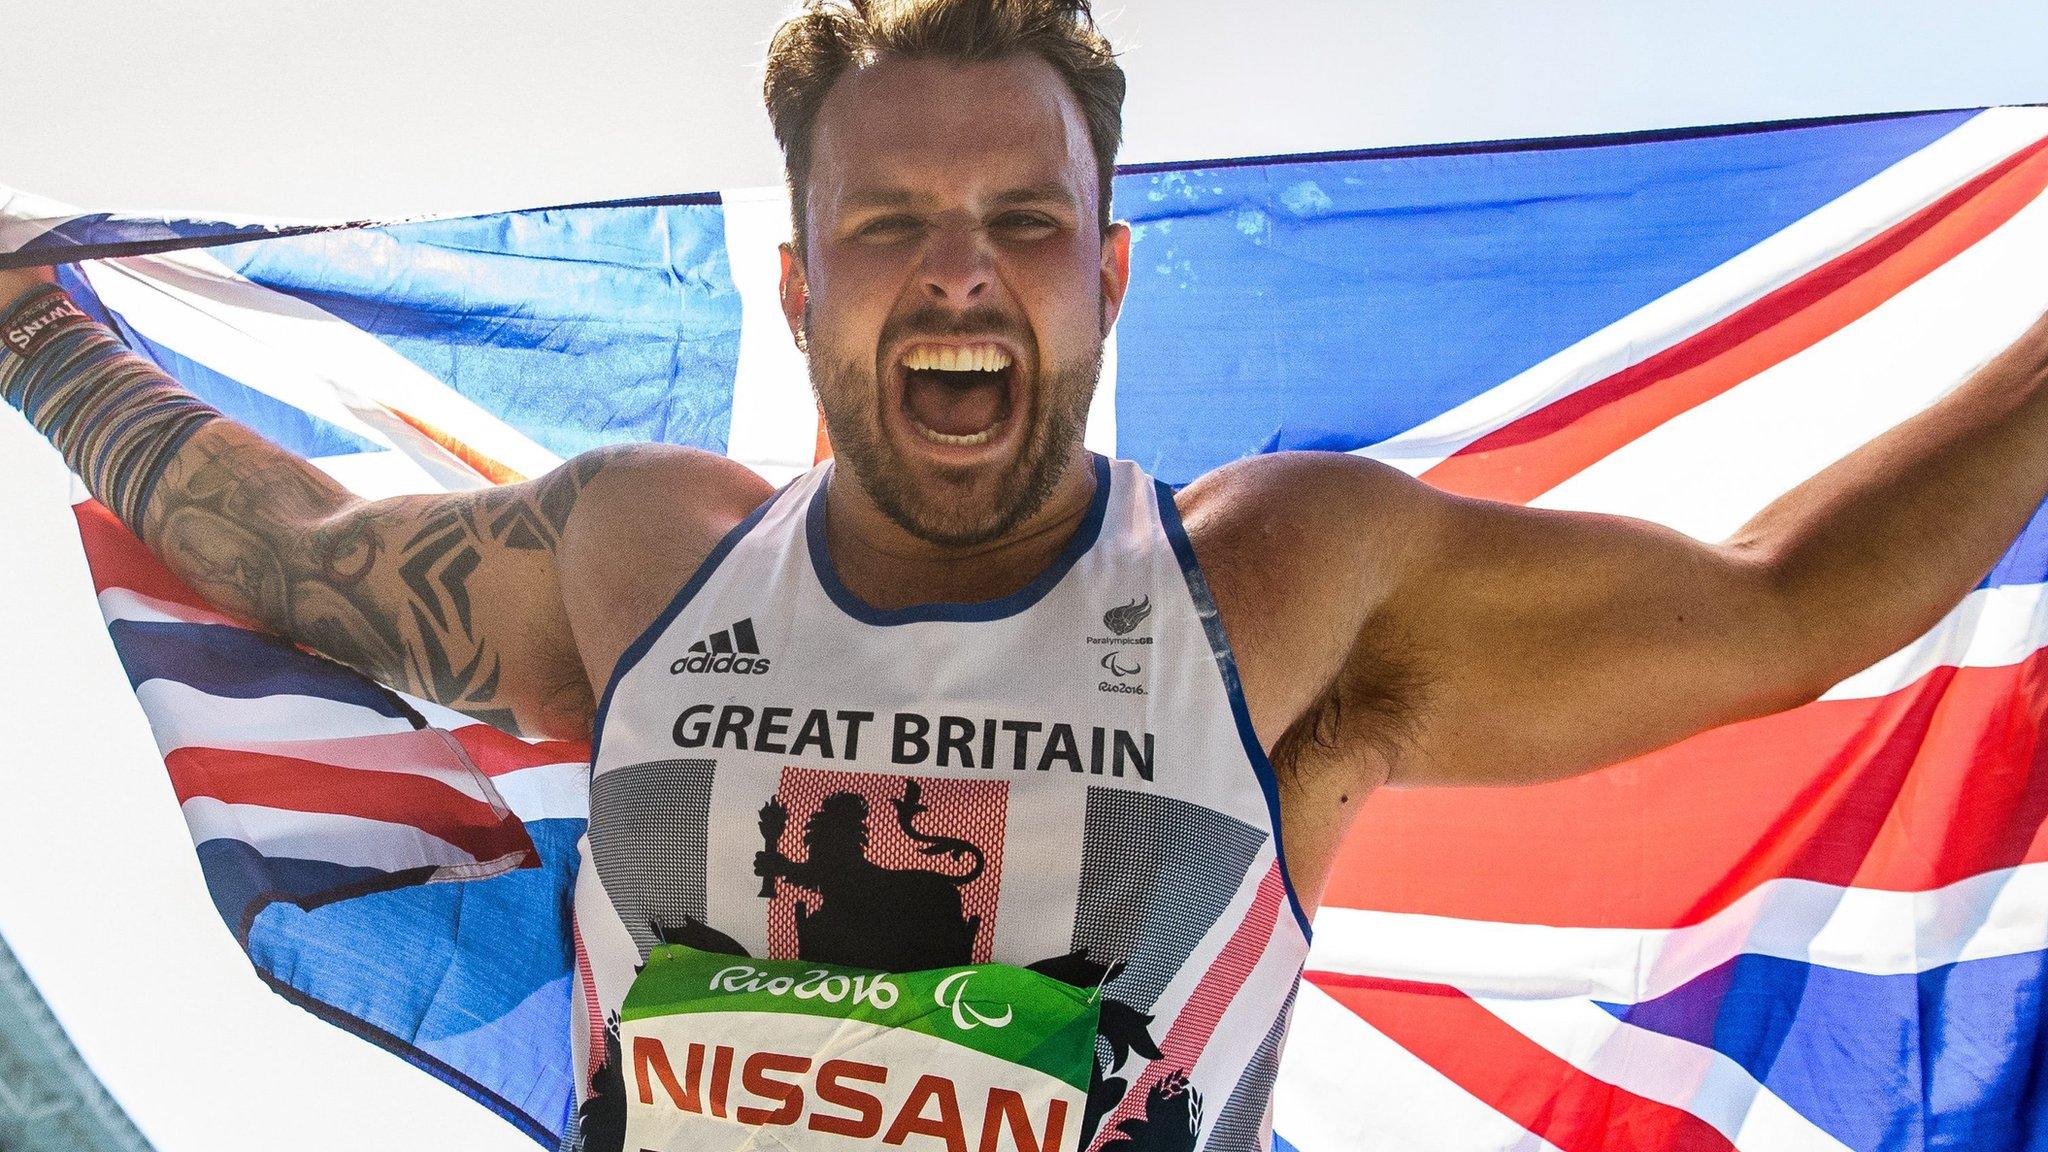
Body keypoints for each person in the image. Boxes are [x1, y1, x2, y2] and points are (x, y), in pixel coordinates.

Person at [5, 1, 2048, 1149]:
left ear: (1108, 275)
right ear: (802, 293)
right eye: (888, 224)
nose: (959, 268)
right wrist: (36, 335)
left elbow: (1792, 605)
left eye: (1020, 218)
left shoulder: (1280, 586)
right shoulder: (645, 561)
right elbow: (302, 563)